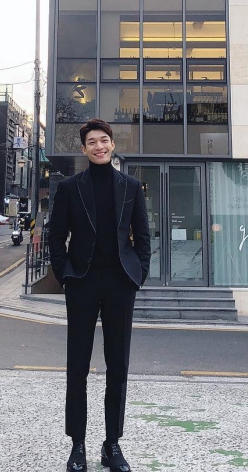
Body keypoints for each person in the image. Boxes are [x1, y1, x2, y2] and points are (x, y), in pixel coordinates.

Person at [49, 119, 151, 472]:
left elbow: (143, 235)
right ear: (84, 149)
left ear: (112, 144)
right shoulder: (70, 187)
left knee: (118, 366)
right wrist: (65, 275)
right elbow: (56, 235)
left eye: (104, 140)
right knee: (77, 366)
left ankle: (112, 444)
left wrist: (138, 274)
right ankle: (77, 444)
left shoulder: (131, 186)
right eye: (92, 142)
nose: (99, 146)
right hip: (82, 282)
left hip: (121, 282)